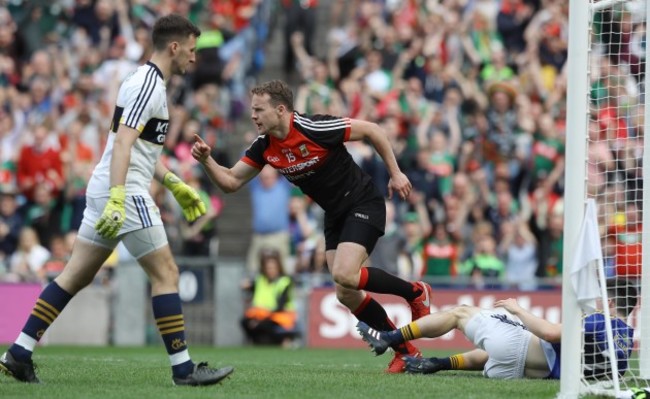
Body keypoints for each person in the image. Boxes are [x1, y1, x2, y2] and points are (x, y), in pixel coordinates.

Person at [0, 14, 234, 386]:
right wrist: (119, 197)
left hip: (110, 187)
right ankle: (184, 370)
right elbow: (123, 145)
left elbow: (134, 149)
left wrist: (174, 183)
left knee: (73, 276)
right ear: (174, 47)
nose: (194, 58)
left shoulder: (142, 81)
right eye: (190, 50)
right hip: (124, 192)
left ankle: (19, 352)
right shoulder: (148, 86)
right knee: (167, 274)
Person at [191, 79, 433, 373]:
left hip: (362, 202)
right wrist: (206, 160)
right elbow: (230, 182)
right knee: (345, 291)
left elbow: (373, 130)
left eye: (258, 110)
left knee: (345, 273)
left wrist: (395, 173)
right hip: (334, 214)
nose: (253, 115)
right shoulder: (264, 146)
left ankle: (415, 292)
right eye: (252, 110)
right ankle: (406, 351)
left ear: (280, 110)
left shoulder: (314, 128)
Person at [357, 278, 636, 379]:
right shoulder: (626, 341)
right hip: (522, 370)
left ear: (610, 301)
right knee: (496, 348)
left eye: (601, 297)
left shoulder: (600, 320)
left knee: (460, 312)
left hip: (522, 349)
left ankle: (389, 337)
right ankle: (438, 363)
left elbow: (550, 334)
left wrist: (518, 310)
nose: (597, 301)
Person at [241, 247, 298, 347]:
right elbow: (251, 287)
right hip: (261, 315)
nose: (270, 271)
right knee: (244, 321)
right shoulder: (260, 280)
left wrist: (259, 320)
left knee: (262, 325)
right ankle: (257, 342)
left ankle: (282, 341)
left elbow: (280, 306)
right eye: (268, 268)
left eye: (273, 268)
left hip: (279, 317)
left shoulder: (284, 281)